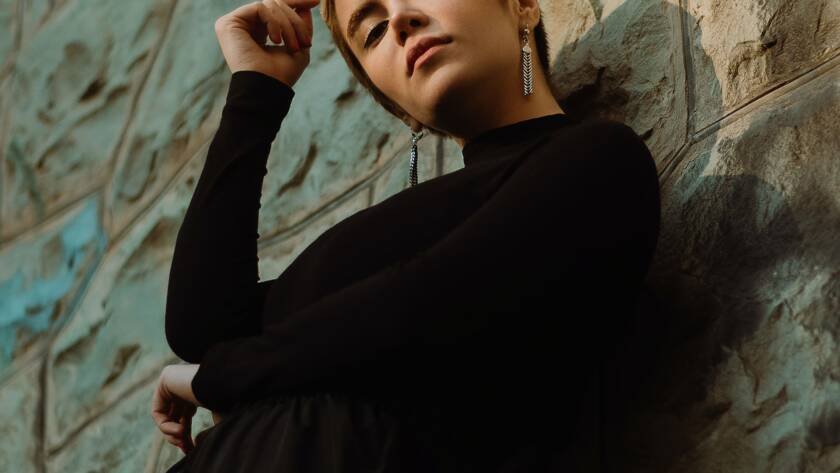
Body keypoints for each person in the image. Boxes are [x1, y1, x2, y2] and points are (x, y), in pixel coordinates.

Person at [151, 0, 661, 471]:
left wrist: (221, 378)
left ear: (522, 5)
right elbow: (204, 328)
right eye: (373, 32)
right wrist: (256, 90)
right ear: (400, 110)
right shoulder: (375, 237)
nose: (398, 20)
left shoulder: (598, 161)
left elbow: (425, 309)